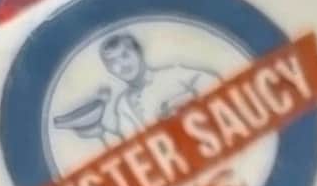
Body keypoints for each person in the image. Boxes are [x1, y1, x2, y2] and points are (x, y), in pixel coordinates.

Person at [54, 30, 222, 145]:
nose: (122, 65)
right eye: (113, 63)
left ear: (139, 52)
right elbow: (131, 141)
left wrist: (181, 102)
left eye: (125, 55)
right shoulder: (123, 105)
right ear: (110, 70)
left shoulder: (173, 74)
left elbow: (215, 83)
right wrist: (101, 133)